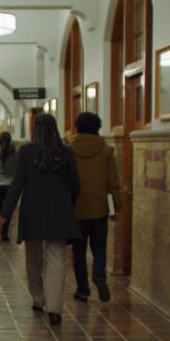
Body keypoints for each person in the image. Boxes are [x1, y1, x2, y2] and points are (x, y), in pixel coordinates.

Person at [0, 113, 81, 326]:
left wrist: (5, 214)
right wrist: (68, 201)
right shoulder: (66, 152)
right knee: (57, 257)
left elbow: (17, 184)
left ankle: (38, 299)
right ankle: (55, 308)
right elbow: (76, 184)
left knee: (33, 257)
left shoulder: (26, 152)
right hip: (59, 210)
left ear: (35, 129)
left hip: (32, 209)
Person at [69, 112, 122, 303]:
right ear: (98, 128)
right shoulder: (106, 151)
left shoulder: (69, 149)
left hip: (76, 209)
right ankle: (99, 274)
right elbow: (113, 183)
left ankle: (82, 290)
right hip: (99, 208)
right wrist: (115, 208)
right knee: (99, 247)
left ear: (77, 127)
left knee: (78, 251)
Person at [0, 131, 17, 242]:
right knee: (7, 209)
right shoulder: (14, 152)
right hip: (9, 184)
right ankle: (5, 233)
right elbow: (17, 166)